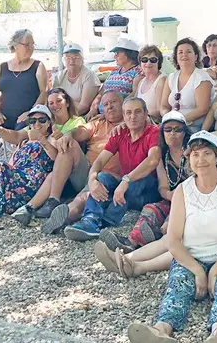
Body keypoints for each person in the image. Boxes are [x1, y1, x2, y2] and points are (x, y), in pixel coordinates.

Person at [126, 131, 217, 343]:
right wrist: (196, 270)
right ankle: (161, 330)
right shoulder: (182, 191)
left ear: (216, 157)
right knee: (177, 287)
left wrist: (214, 271)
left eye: (206, 153)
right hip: (192, 255)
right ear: (189, 159)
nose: (201, 160)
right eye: (195, 154)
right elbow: (173, 240)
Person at [95, 121, 217, 279]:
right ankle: (128, 259)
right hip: (210, 214)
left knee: (189, 241)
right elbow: (207, 142)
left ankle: (137, 266)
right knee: (174, 237)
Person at [63, 98, 162, 241]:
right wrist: (92, 181)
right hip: (125, 185)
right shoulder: (120, 133)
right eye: (128, 113)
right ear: (124, 115)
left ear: (146, 113)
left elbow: (152, 160)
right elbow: (100, 161)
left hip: (147, 190)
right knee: (103, 177)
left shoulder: (153, 132)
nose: (132, 117)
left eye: (137, 112)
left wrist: (126, 180)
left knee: (137, 181)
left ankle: (104, 222)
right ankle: (90, 220)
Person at [33, 91, 126, 235]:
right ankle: (53, 200)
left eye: (114, 102)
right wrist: (69, 135)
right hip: (87, 172)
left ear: (123, 105)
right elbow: (80, 132)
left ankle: (69, 214)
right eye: (106, 104)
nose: (110, 107)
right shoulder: (98, 123)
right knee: (69, 144)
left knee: (93, 187)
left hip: (110, 178)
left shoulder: (131, 126)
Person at [101, 111, 192, 251]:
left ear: (185, 132)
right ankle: (131, 242)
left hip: (192, 200)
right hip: (171, 200)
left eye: (178, 129)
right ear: (162, 133)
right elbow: (163, 186)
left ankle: (156, 235)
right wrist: (170, 195)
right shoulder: (162, 155)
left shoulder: (193, 151)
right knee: (150, 210)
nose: (172, 133)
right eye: (168, 129)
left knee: (170, 220)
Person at [8, 88, 89, 223]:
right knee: (51, 173)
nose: (55, 105)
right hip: (56, 172)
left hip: (75, 168)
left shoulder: (76, 122)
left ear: (67, 102)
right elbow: (18, 137)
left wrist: (62, 136)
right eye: (51, 103)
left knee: (66, 144)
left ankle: (53, 204)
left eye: (58, 101)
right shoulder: (44, 125)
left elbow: (76, 137)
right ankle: (31, 207)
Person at [0, 29, 49, 162]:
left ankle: (17, 169)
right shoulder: (2, 67)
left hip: (26, 116)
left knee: (22, 135)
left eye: (33, 44)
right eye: (27, 44)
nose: (31, 48)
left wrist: (31, 113)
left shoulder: (37, 66)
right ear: (16, 45)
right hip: (4, 115)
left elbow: (44, 93)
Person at [160, 38, 213, 132]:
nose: (184, 55)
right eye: (180, 52)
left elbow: (202, 109)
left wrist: (178, 121)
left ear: (196, 57)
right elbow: (164, 106)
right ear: (176, 57)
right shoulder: (171, 77)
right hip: (172, 127)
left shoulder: (201, 77)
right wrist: (167, 117)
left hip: (193, 128)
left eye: (188, 52)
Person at [50, 43, 100, 116]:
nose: (71, 61)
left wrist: (66, 118)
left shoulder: (89, 75)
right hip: (62, 114)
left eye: (76, 57)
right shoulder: (60, 76)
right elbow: (54, 99)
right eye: (68, 57)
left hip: (80, 115)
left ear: (82, 59)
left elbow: (84, 106)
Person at [93, 36, 141, 102]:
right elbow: (102, 91)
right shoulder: (115, 70)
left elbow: (136, 94)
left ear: (129, 54)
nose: (115, 57)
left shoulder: (138, 71)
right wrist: (95, 103)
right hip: (102, 109)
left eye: (117, 53)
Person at [133, 45, 167, 123]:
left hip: (154, 123)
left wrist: (140, 115)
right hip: (138, 121)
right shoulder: (141, 82)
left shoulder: (162, 80)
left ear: (159, 62)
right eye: (144, 60)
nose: (148, 63)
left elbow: (160, 110)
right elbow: (133, 104)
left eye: (153, 60)